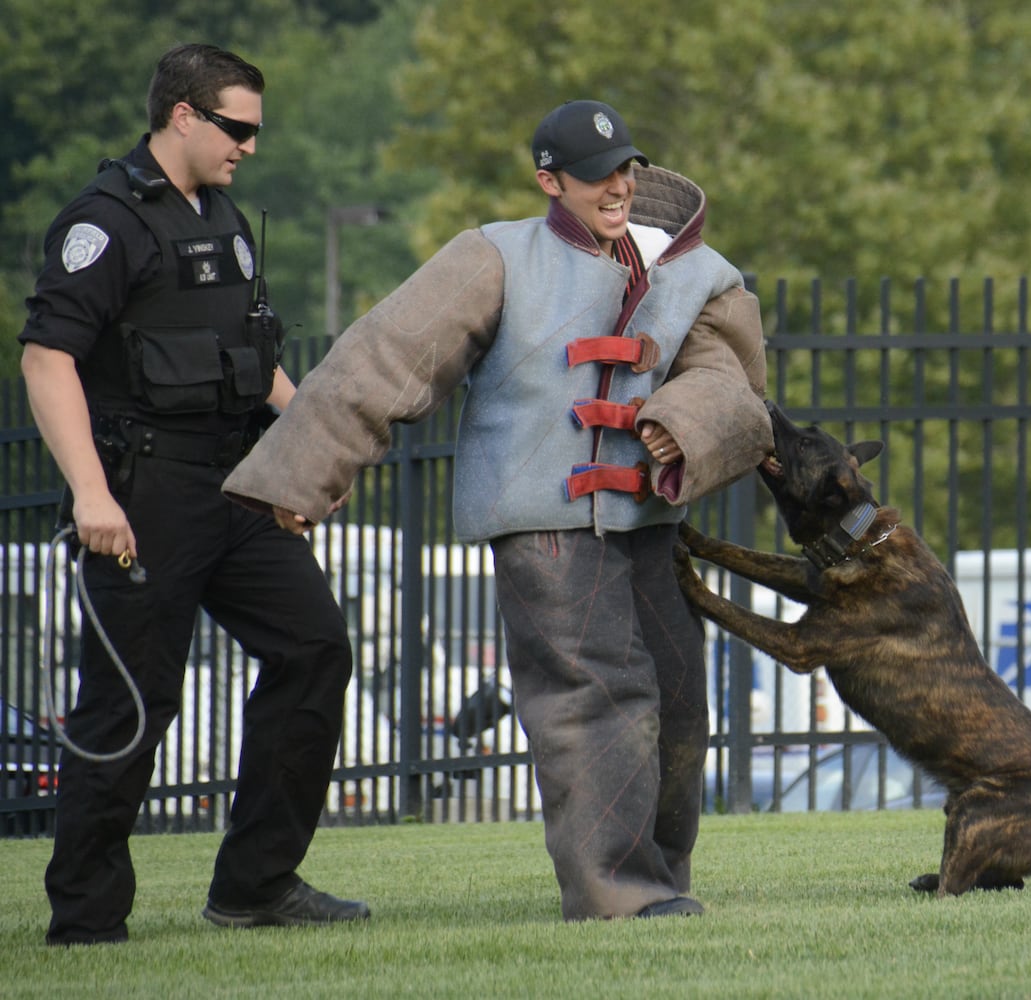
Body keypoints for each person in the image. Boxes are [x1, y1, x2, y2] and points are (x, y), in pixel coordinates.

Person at [223, 99, 773, 920]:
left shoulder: (700, 272)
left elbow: (733, 383)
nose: (617, 186)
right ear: (550, 181)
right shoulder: (495, 256)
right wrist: (299, 478)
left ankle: (659, 877)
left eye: (626, 168)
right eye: (595, 176)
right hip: (540, 521)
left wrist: (681, 423)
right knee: (597, 696)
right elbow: (384, 359)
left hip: (647, 522)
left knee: (680, 699)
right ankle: (617, 893)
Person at [19, 43, 368, 945]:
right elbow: (47, 357)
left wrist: (312, 457)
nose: (249, 146)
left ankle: (256, 884)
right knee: (134, 702)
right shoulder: (104, 221)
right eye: (237, 128)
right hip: (145, 496)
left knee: (315, 649)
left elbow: (256, 366)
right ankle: (87, 919)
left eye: (255, 131)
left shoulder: (223, 217)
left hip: (238, 488)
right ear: (183, 114)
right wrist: (91, 496)